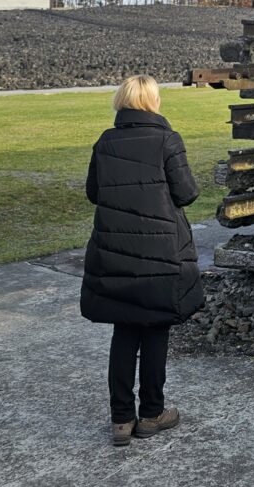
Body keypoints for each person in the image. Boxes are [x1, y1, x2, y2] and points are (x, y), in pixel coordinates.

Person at [80, 74, 204, 446]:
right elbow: (187, 194)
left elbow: (93, 193)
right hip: (160, 253)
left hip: (115, 252)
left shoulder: (105, 142)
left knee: (123, 333)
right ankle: (152, 413)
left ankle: (121, 420)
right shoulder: (168, 140)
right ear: (152, 102)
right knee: (155, 332)